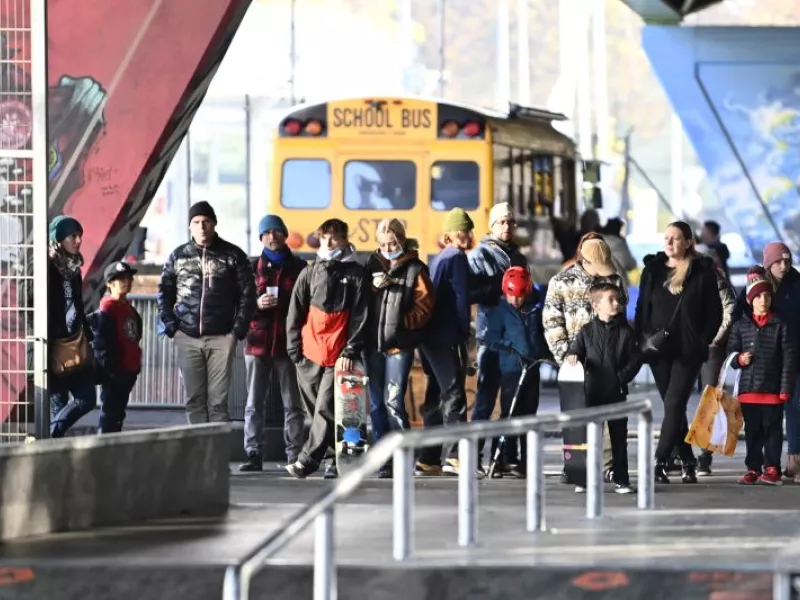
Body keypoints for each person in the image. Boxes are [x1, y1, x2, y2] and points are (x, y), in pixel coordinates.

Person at [634, 221, 722, 484]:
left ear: (688, 242)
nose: (669, 243)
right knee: (675, 408)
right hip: (658, 350)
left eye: (675, 238)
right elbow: (642, 308)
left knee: (674, 403)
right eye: (666, 238)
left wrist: (701, 339)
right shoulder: (651, 270)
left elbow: (715, 313)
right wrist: (642, 338)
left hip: (688, 351)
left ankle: (660, 461)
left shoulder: (702, 273)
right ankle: (687, 460)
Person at [157, 201, 256, 424]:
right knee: (194, 400)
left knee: (218, 402)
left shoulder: (233, 255)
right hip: (187, 337)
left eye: (206, 221)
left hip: (222, 337)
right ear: (190, 226)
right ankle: (199, 456)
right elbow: (164, 292)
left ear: (214, 223)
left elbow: (248, 294)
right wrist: (172, 327)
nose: (202, 227)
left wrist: (236, 331)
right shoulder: (178, 256)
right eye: (196, 222)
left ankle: (218, 458)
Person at [285, 219, 368, 480]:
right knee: (316, 409)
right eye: (324, 239)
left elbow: (360, 316)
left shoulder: (356, 274)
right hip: (309, 355)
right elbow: (295, 313)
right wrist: (295, 352)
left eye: (334, 238)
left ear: (345, 239)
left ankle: (306, 461)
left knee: (324, 408)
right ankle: (333, 459)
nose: (329, 243)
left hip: (338, 357)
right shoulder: (309, 272)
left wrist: (350, 352)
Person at [543, 232, 627, 482]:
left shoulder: (613, 280)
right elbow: (552, 322)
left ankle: (609, 465)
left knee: (610, 417)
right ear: (584, 261)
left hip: (609, 363)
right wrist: (566, 358)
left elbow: (620, 318)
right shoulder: (561, 282)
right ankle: (574, 466)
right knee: (575, 418)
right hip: (577, 365)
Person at [364, 219, 435, 478]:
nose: (387, 248)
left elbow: (425, 305)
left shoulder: (415, 269)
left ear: (402, 240)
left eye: (392, 243)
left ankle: (403, 455)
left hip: (398, 346)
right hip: (372, 345)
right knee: (376, 405)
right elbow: (361, 304)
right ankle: (384, 459)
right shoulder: (370, 264)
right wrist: (373, 288)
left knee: (393, 401)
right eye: (382, 244)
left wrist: (402, 325)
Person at [240, 215, 308, 472]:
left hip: (289, 345)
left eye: (277, 231)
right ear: (261, 238)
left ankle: (294, 454)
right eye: (266, 232)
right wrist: (257, 305)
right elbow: (240, 305)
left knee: (293, 403)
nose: (272, 236)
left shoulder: (300, 267)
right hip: (257, 343)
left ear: (285, 234)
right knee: (253, 403)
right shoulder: (251, 267)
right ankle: (253, 453)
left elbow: (307, 305)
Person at [733, 242, 800, 481]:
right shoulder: (755, 289)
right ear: (768, 263)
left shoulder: (796, 284)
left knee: (791, 410)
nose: (784, 265)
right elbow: (738, 317)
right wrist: (739, 352)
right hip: (758, 372)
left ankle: (790, 461)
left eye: (787, 260)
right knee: (755, 426)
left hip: (789, 359)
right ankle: (755, 465)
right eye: (778, 261)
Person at [468, 202, 528, 466]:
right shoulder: (480, 255)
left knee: (509, 402)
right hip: (490, 335)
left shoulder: (519, 255)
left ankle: (503, 456)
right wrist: (500, 285)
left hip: (513, 336)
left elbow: (527, 290)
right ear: (492, 226)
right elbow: (471, 292)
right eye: (502, 222)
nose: (507, 227)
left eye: (511, 222)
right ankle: (473, 455)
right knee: (484, 401)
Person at [566, 282, 641, 494]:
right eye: (611, 299)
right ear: (596, 305)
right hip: (591, 393)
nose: (617, 303)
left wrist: (621, 378)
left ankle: (622, 480)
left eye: (618, 299)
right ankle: (584, 479)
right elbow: (576, 349)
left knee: (619, 439)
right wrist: (573, 356)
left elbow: (635, 360)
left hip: (616, 394)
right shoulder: (586, 331)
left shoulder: (626, 331)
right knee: (589, 438)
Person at [415, 208, 473, 477]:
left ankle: (428, 458)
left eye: (468, 229)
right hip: (446, 335)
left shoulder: (438, 258)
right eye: (461, 230)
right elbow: (461, 300)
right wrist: (464, 332)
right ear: (449, 234)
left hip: (428, 336)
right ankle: (454, 456)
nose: (466, 235)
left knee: (436, 396)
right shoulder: (458, 259)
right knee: (454, 395)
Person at [484, 266, 543, 478]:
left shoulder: (535, 310)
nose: (515, 301)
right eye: (511, 295)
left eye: (519, 296)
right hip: (511, 370)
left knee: (529, 417)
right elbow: (490, 339)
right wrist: (510, 346)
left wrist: (541, 354)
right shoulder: (499, 312)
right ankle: (498, 458)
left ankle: (526, 462)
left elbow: (541, 337)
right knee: (508, 414)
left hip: (532, 370)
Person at [47, 216, 97, 438]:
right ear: (58, 239)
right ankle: (52, 451)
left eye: (80, 236)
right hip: (53, 346)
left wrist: (87, 333)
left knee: (87, 399)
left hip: (76, 343)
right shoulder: (44, 265)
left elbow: (76, 303)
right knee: (58, 403)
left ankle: (50, 436)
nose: (78, 241)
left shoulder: (74, 268)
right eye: (72, 236)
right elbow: (27, 300)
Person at [695, 251, 736, 476]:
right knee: (676, 400)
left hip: (712, 348)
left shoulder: (716, 281)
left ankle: (704, 455)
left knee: (709, 399)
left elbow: (729, 311)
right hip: (687, 348)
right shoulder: (681, 280)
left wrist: (714, 340)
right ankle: (678, 453)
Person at [90, 261, 142, 433]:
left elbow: (135, 336)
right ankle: (104, 452)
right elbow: (101, 344)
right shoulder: (107, 310)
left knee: (118, 414)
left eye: (129, 278)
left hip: (128, 371)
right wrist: (109, 370)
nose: (127, 282)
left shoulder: (128, 308)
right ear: (109, 284)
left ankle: (112, 451)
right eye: (121, 279)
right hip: (116, 372)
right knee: (110, 414)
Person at [602, 218, 637, 287]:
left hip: (600, 285)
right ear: (618, 230)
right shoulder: (620, 244)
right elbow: (630, 264)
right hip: (618, 284)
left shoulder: (598, 241)